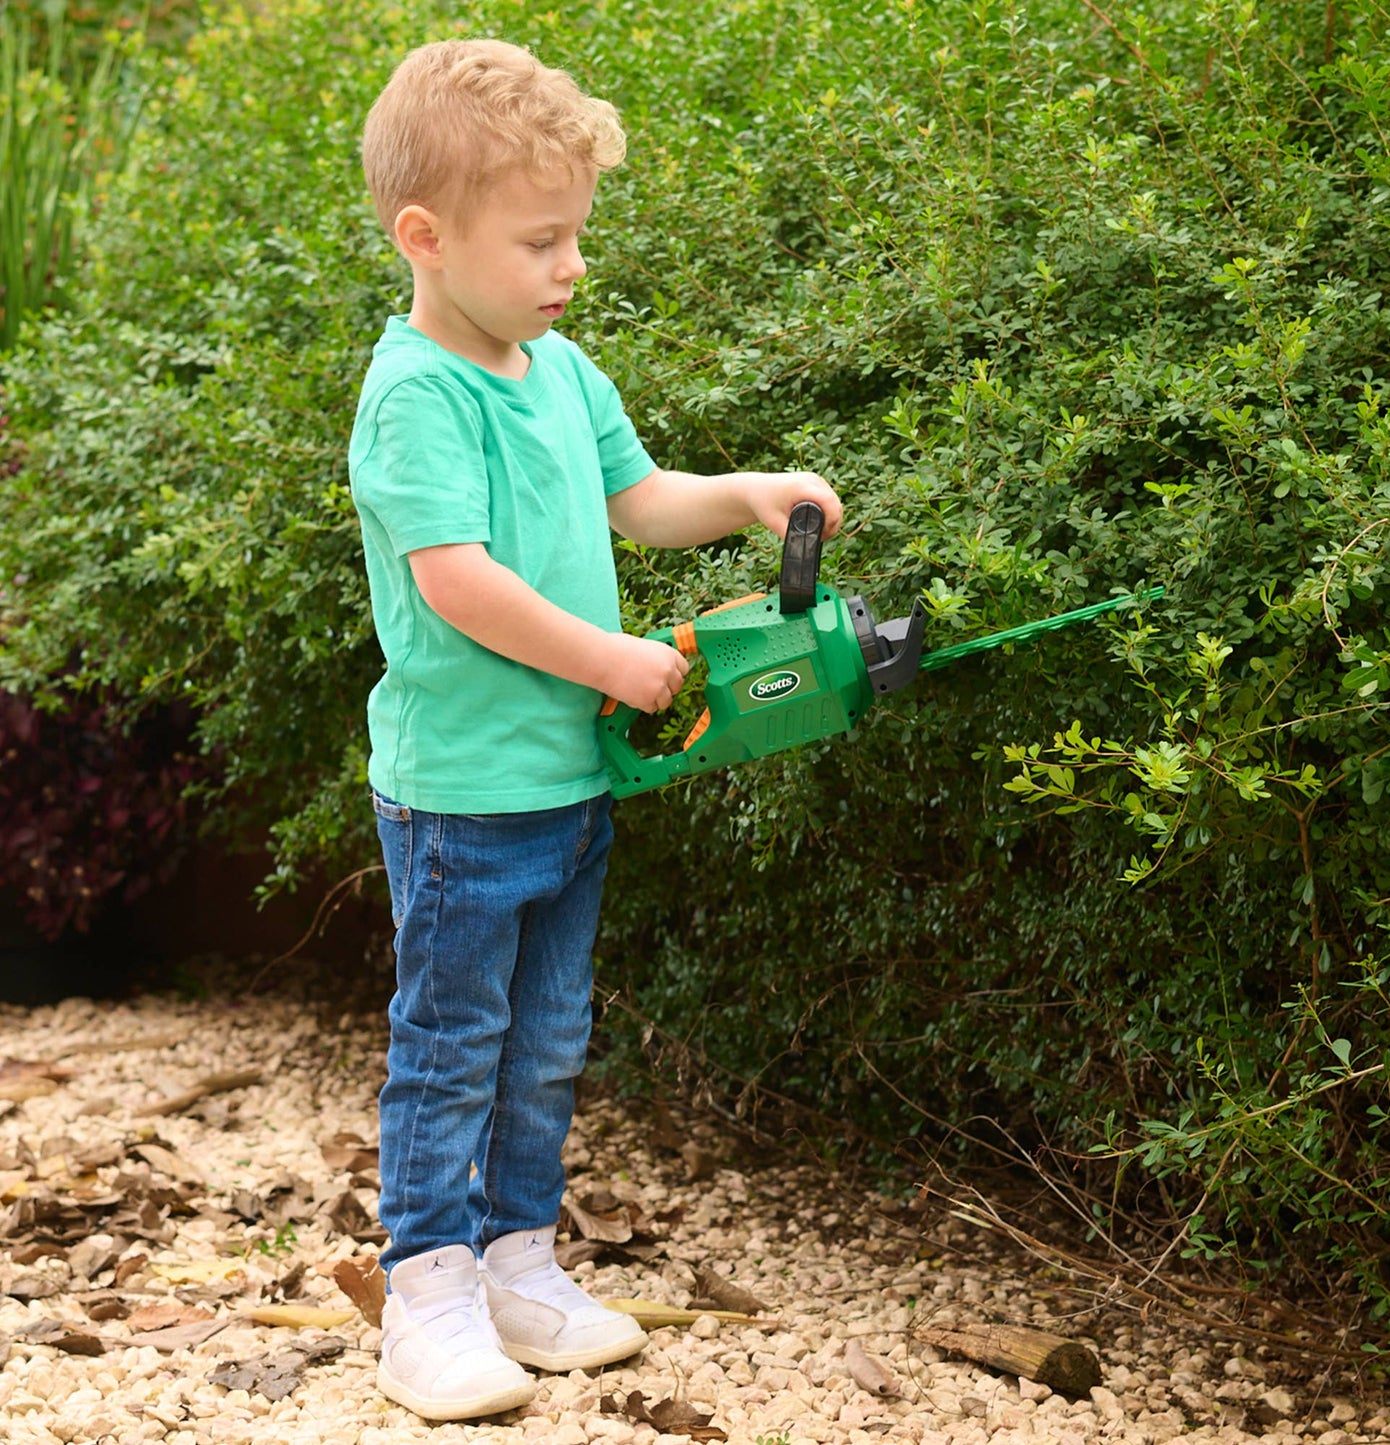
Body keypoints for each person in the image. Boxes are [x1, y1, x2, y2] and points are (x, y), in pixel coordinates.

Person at [348, 37, 841, 1424]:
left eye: (576, 236)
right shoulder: (417, 397)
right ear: (426, 238)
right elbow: (458, 579)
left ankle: (516, 1257)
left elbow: (638, 497)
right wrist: (613, 660)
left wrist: (743, 491)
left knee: (547, 1033)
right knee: (453, 1037)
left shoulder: (556, 369)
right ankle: (427, 1287)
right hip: (460, 795)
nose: (569, 267)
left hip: (567, 784)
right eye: (541, 240)